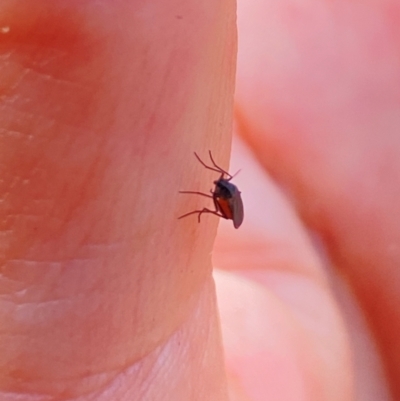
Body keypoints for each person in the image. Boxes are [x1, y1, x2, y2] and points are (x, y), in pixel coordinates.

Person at [0, 1, 397, 400]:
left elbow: (222, 197)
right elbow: (220, 185)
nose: (218, 179)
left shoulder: (225, 193)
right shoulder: (225, 186)